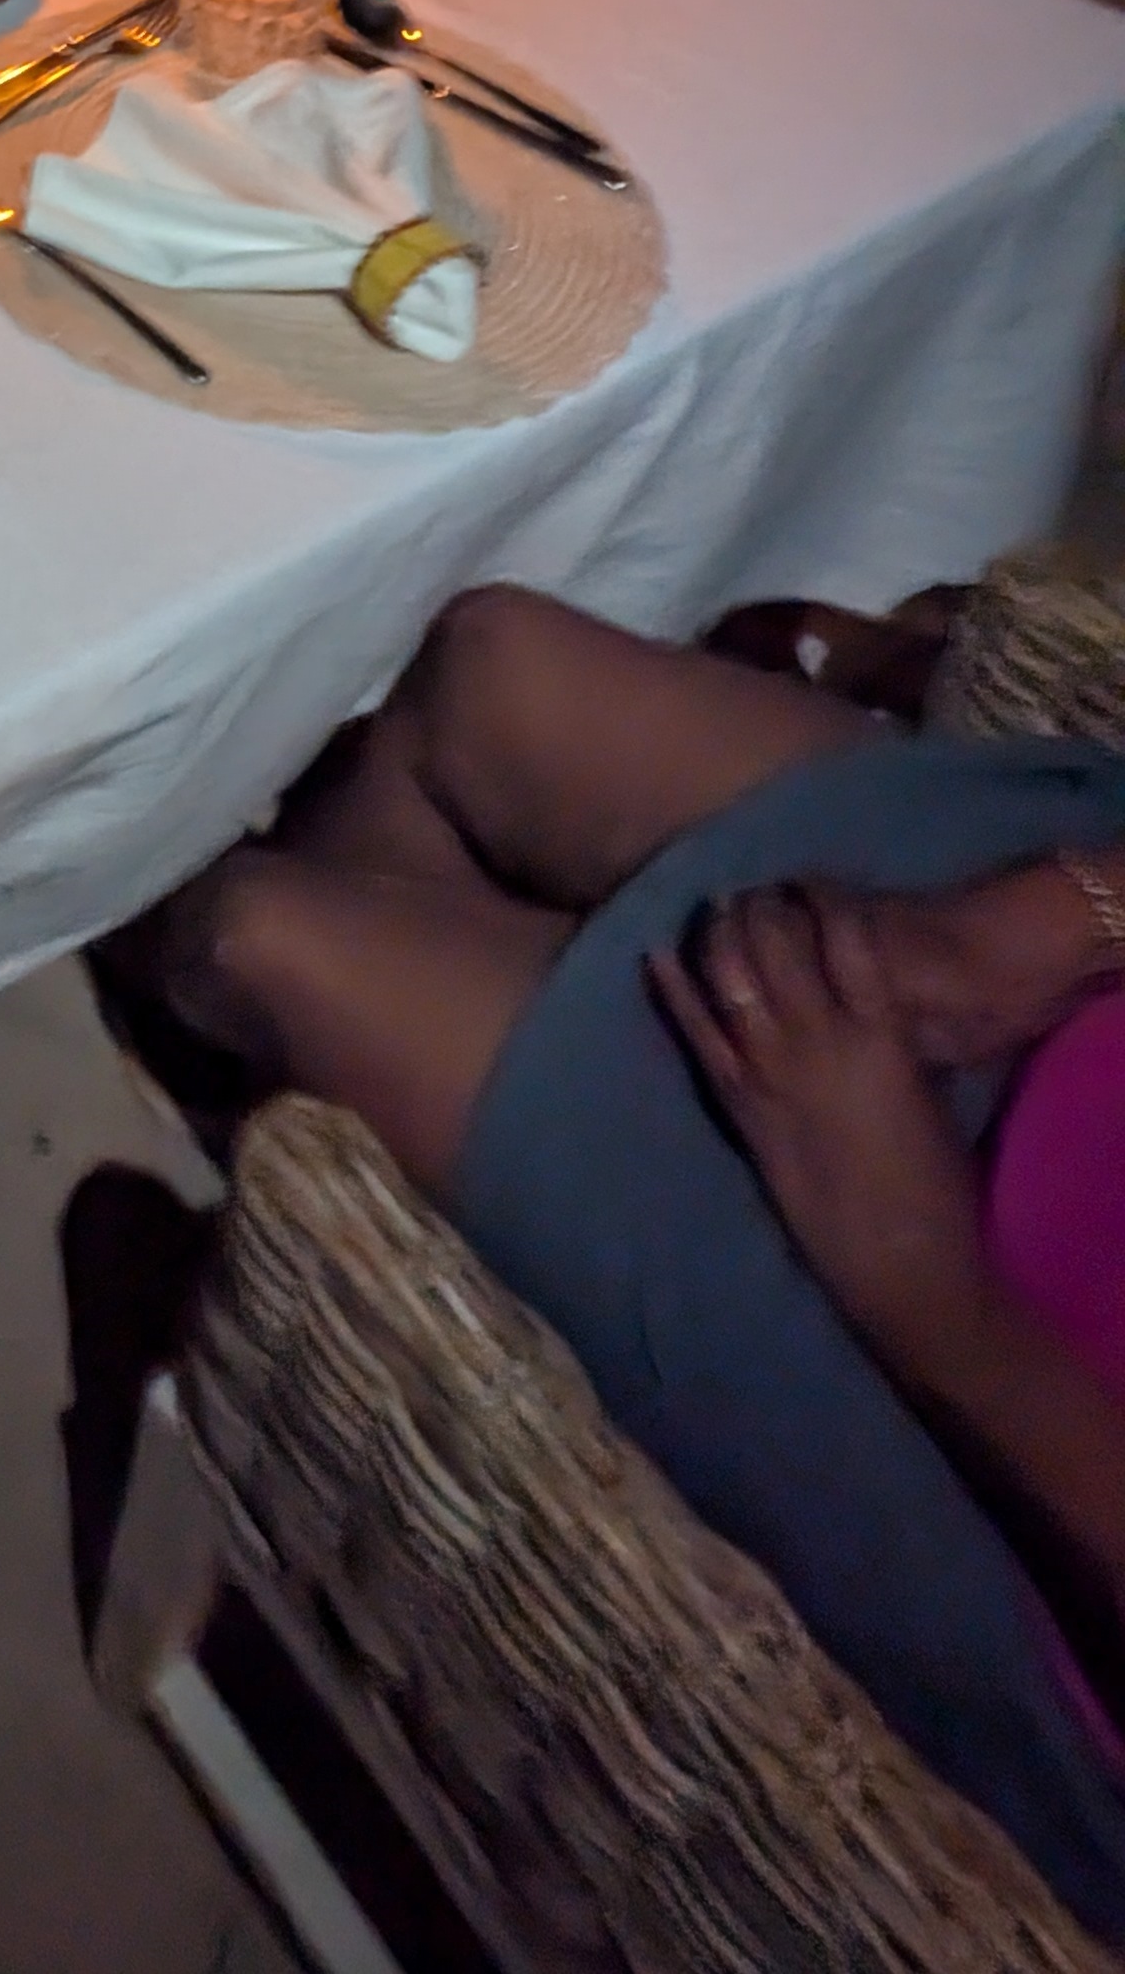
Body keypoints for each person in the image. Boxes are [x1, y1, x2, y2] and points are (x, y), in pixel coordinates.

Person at [130, 580, 1125, 1937]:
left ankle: (356, 1042)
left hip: (1022, 1455)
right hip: (1076, 1015)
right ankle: (408, 1058)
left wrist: (926, 1286)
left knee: (255, 934)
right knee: (488, 664)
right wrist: (1064, 918)